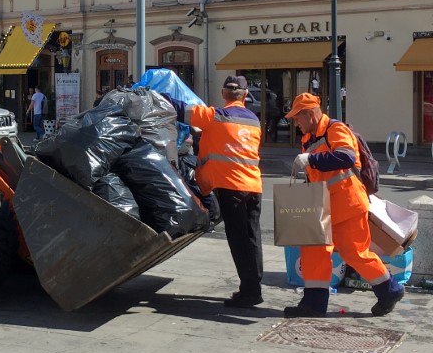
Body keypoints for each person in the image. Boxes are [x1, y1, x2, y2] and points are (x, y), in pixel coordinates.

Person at [284, 93, 404, 318]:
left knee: (355, 253)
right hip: (323, 206)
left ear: (310, 114)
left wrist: (310, 160)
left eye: (298, 118)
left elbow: (346, 157)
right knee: (313, 252)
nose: (295, 122)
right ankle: (313, 303)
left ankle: (390, 290)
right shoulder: (309, 138)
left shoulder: (335, 130)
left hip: (347, 205)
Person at [165, 75, 264, 308]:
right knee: (252, 238)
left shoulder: (216, 116)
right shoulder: (254, 121)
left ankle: (250, 293)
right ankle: (253, 287)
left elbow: (179, 108)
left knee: (238, 240)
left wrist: (155, 93)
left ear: (223, 94)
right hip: (253, 186)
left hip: (231, 187)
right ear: (246, 94)